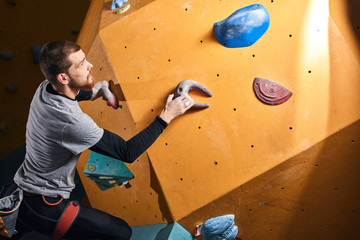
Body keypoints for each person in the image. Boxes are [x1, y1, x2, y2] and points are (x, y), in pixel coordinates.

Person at [4, 41, 194, 240]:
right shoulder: (73, 122)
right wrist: (166, 116)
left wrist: (96, 92)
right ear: (63, 77)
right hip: (43, 206)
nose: (90, 65)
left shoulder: (46, 88)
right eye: (82, 64)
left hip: (21, 189)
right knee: (120, 232)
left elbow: (71, 95)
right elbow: (126, 152)